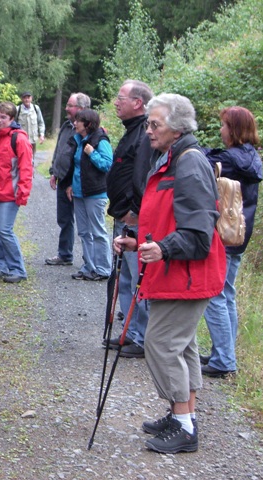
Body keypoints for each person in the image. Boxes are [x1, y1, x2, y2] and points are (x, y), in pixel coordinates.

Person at [114, 93, 226, 454]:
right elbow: (170, 219)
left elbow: (199, 233)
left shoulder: (189, 163)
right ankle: (184, 415)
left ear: (177, 129)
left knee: (161, 344)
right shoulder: (174, 158)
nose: (148, 130)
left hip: (187, 274)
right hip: (177, 271)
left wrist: (162, 248)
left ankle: (184, 427)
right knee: (182, 345)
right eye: (148, 123)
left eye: (155, 124)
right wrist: (139, 243)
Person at [200, 106, 263, 377]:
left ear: (234, 129)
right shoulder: (252, 156)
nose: (221, 130)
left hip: (225, 235)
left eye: (224, 125)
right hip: (239, 234)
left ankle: (224, 359)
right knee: (227, 294)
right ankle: (223, 353)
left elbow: (202, 158)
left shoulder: (230, 159)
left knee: (214, 293)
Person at [104, 80, 154, 359]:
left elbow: (144, 178)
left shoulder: (144, 134)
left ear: (137, 102)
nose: (116, 102)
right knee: (123, 277)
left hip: (133, 218)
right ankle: (130, 333)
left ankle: (141, 337)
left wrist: (135, 212)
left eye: (120, 98)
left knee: (137, 279)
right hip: (123, 215)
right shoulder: (132, 131)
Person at [0, 102, 34, 283]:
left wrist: (23, 193)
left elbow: (26, 168)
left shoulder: (19, 139)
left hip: (9, 194)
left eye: (3, 117)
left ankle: (17, 269)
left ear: (12, 119)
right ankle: (0, 266)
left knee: (4, 230)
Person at [64, 109, 113, 281]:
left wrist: (92, 153)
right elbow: (78, 166)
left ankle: (103, 269)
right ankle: (89, 267)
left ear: (88, 124)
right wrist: (71, 185)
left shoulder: (100, 140)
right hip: (79, 192)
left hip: (95, 193)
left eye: (78, 121)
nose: (75, 123)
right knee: (84, 232)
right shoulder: (78, 140)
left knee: (98, 232)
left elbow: (107, 165)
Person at [46, 92, 90, 267]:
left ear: (81, 108)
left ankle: (91, 261)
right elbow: (59, 150)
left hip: (78, 182)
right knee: (64, 218)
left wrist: (73, 182)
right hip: (63, 179)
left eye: (70, 106)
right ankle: (64, 254)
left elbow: (83, 159)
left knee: (85, 224)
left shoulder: (87, 130)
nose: (66, 108)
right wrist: (54, 172)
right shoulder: (66, 126)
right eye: (67, 105)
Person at [15, 91, 45, 157]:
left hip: (32, 140)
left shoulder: (36, 108)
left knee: (32, 159)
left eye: (28, 97)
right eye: (25, 98)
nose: (27, 99)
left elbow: (41, 123)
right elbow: (13, 124)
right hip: (21, 140)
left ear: (31, 98)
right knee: (22, 157)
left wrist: (42, 135)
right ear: (22, 99)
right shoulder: (18, 109)